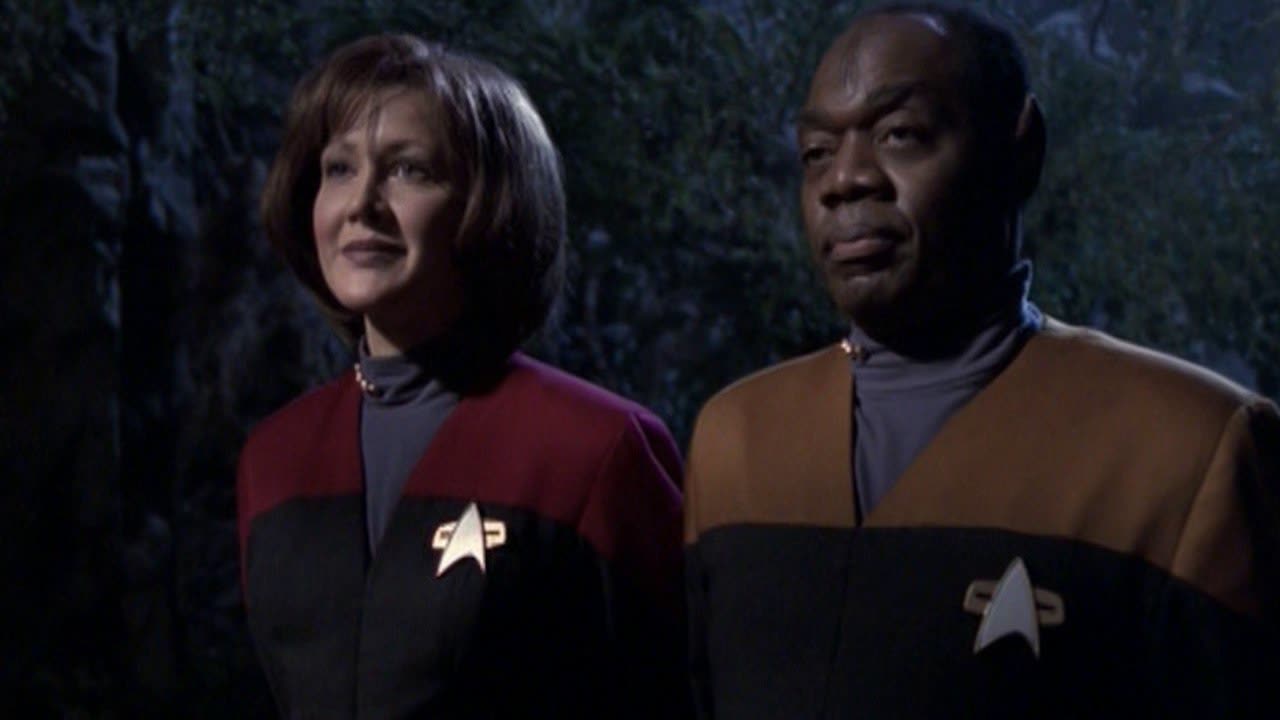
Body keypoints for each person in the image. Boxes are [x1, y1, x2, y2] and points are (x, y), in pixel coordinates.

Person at [684, 3, 1280, 717]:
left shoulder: (1185, 451)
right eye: (816, 152)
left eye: (901, 134)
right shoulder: (735, 441)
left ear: (1019, 151)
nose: (845, 179)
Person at [237, 34, 689, 718]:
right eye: (339, 168)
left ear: (491, 204)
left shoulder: (595, 451)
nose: (362, 204)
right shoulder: (273, 457)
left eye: (409, 170)